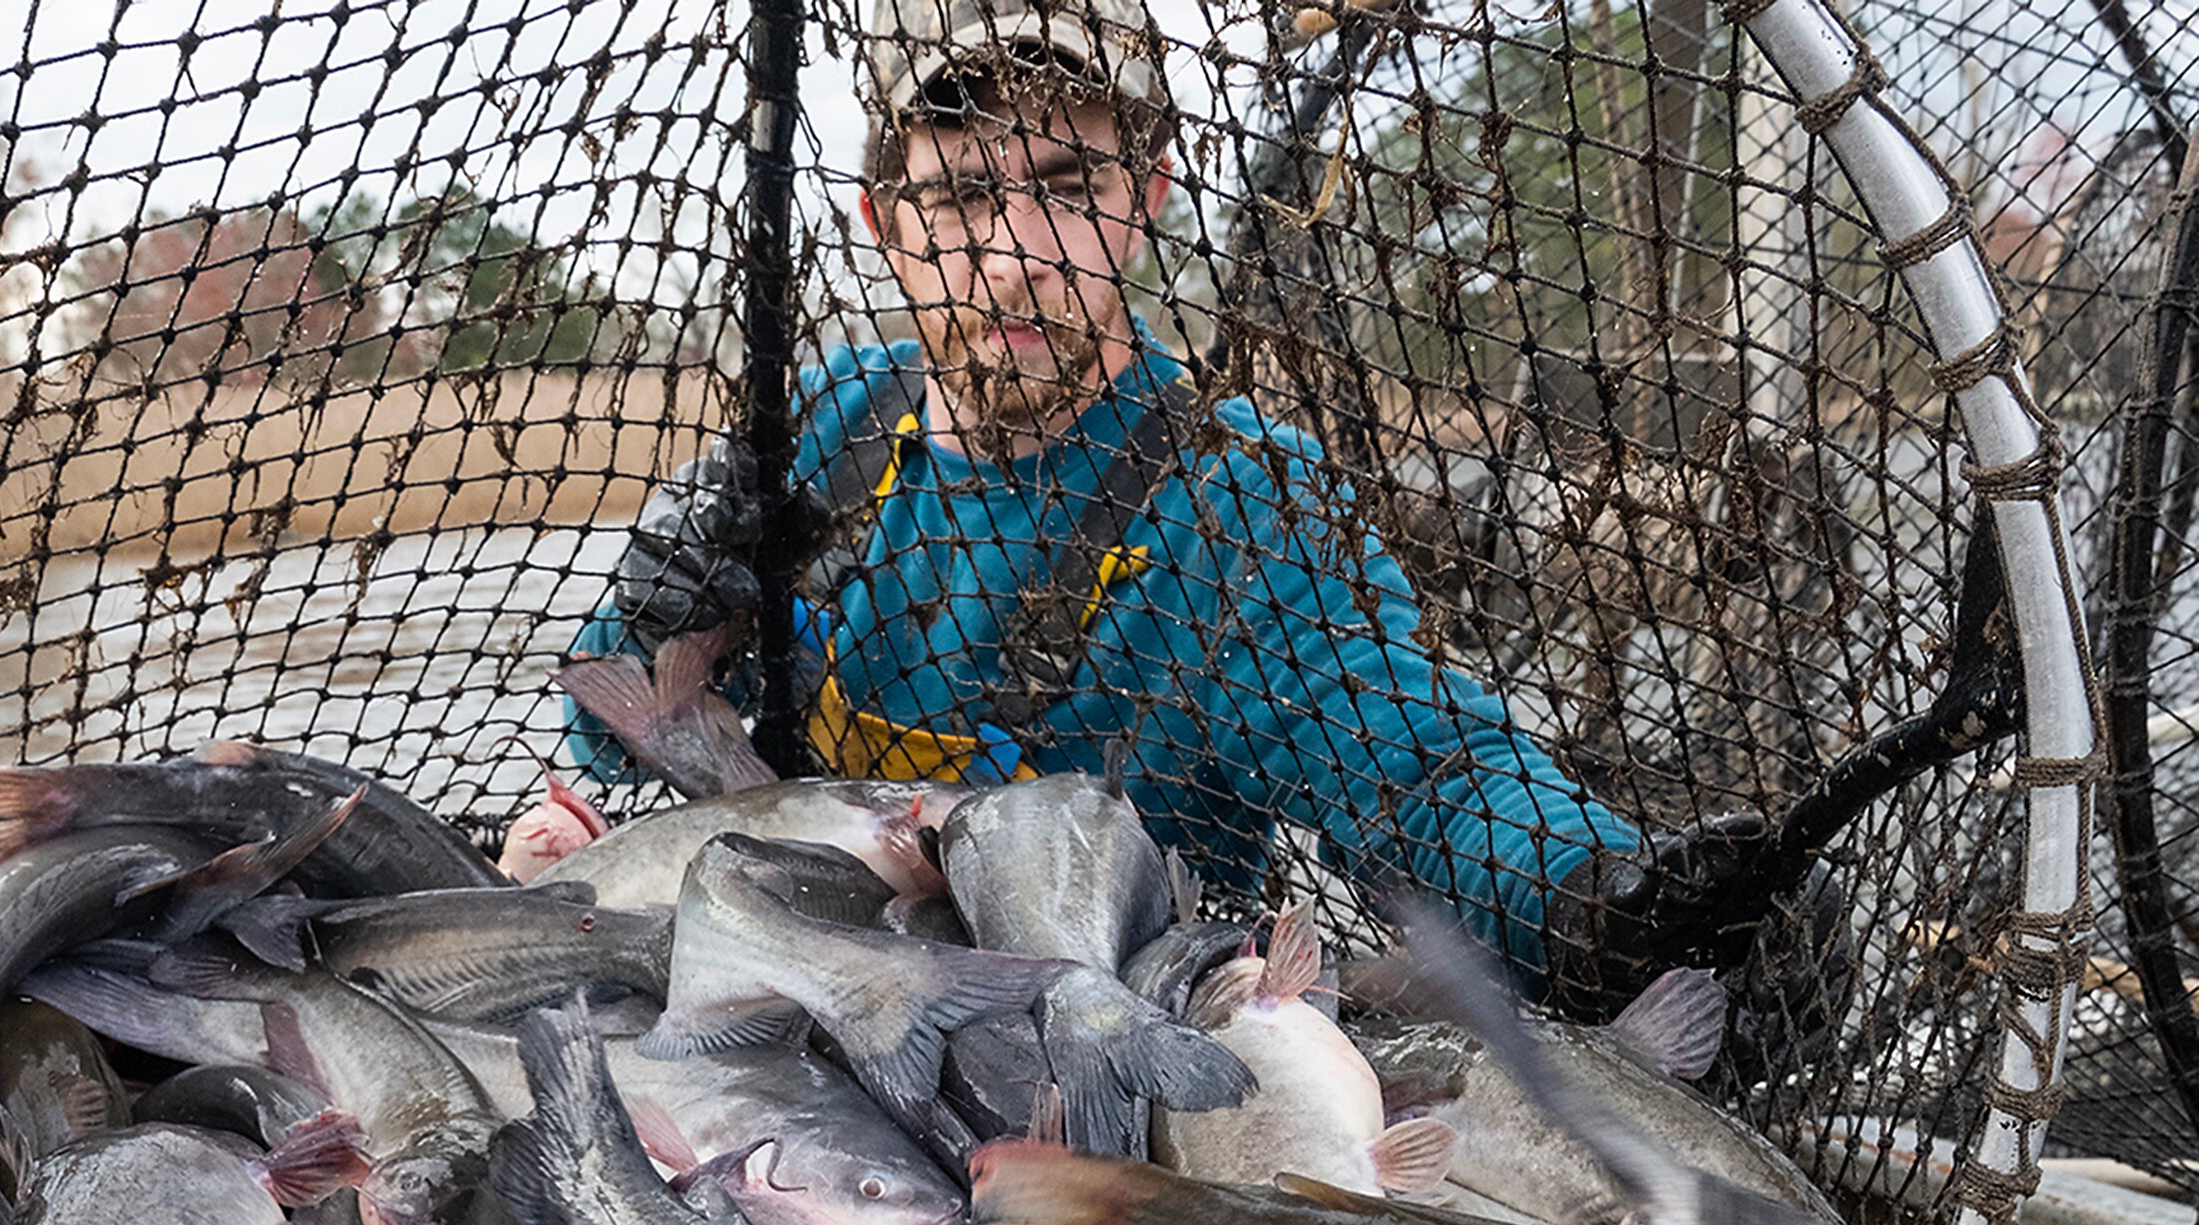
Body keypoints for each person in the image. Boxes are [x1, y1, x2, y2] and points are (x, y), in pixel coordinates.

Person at [570, 0, 1841, 1039]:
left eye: (1068, 186)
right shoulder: (830, 423)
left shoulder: (1240, 502)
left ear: (1150, 192)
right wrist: (660, 610)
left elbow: (1432, 772)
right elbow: (616, 740)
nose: (1013, 258)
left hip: (1107, 1044)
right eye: (959, 198)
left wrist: (1592, 898)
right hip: (795, 1009)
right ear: (884, 224)